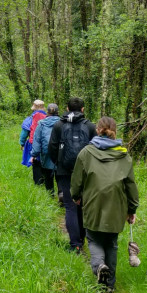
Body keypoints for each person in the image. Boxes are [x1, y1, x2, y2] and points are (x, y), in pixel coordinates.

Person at [71, 117, 139, 292]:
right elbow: (130, 185)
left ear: (97, 130)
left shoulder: (86, 152)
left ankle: (99, 266)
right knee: (111, 243)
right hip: (117, 206)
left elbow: (77, 179)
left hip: (93, 202)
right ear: (115, 131)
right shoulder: (124, 155)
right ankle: (110, 285)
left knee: (93, 239)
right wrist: (132, 209)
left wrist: (76, 196)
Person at [48, 97, 96, 253]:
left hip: (64, 171)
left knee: (70, 206)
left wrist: (59, 163)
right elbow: (96, 150)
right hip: (85, 173)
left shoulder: (59, 125)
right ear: (82, 109)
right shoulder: (90, 126)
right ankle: (82, 238)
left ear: (67, 108)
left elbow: (52, 148)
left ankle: (75, 244)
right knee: (82, 205)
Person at [30, 103, 61, 197]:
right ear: (58, 112)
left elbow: (37, 140)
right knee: (60, 175)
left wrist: (34, 154)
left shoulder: (41, 124)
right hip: (60, 153)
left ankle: (50, 195)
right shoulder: (63, 123)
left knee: (48, 176)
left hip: (46, 153)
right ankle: (61, 193)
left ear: (47, 112)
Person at [20, 100, 47, 183]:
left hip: (34, 143)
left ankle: (38, 182)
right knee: (45, 161)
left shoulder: (30, 119)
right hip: (46, 143)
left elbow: (24, 133)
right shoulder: (48, 118)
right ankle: (45, 179)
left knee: (35, 161)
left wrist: (22, 143)